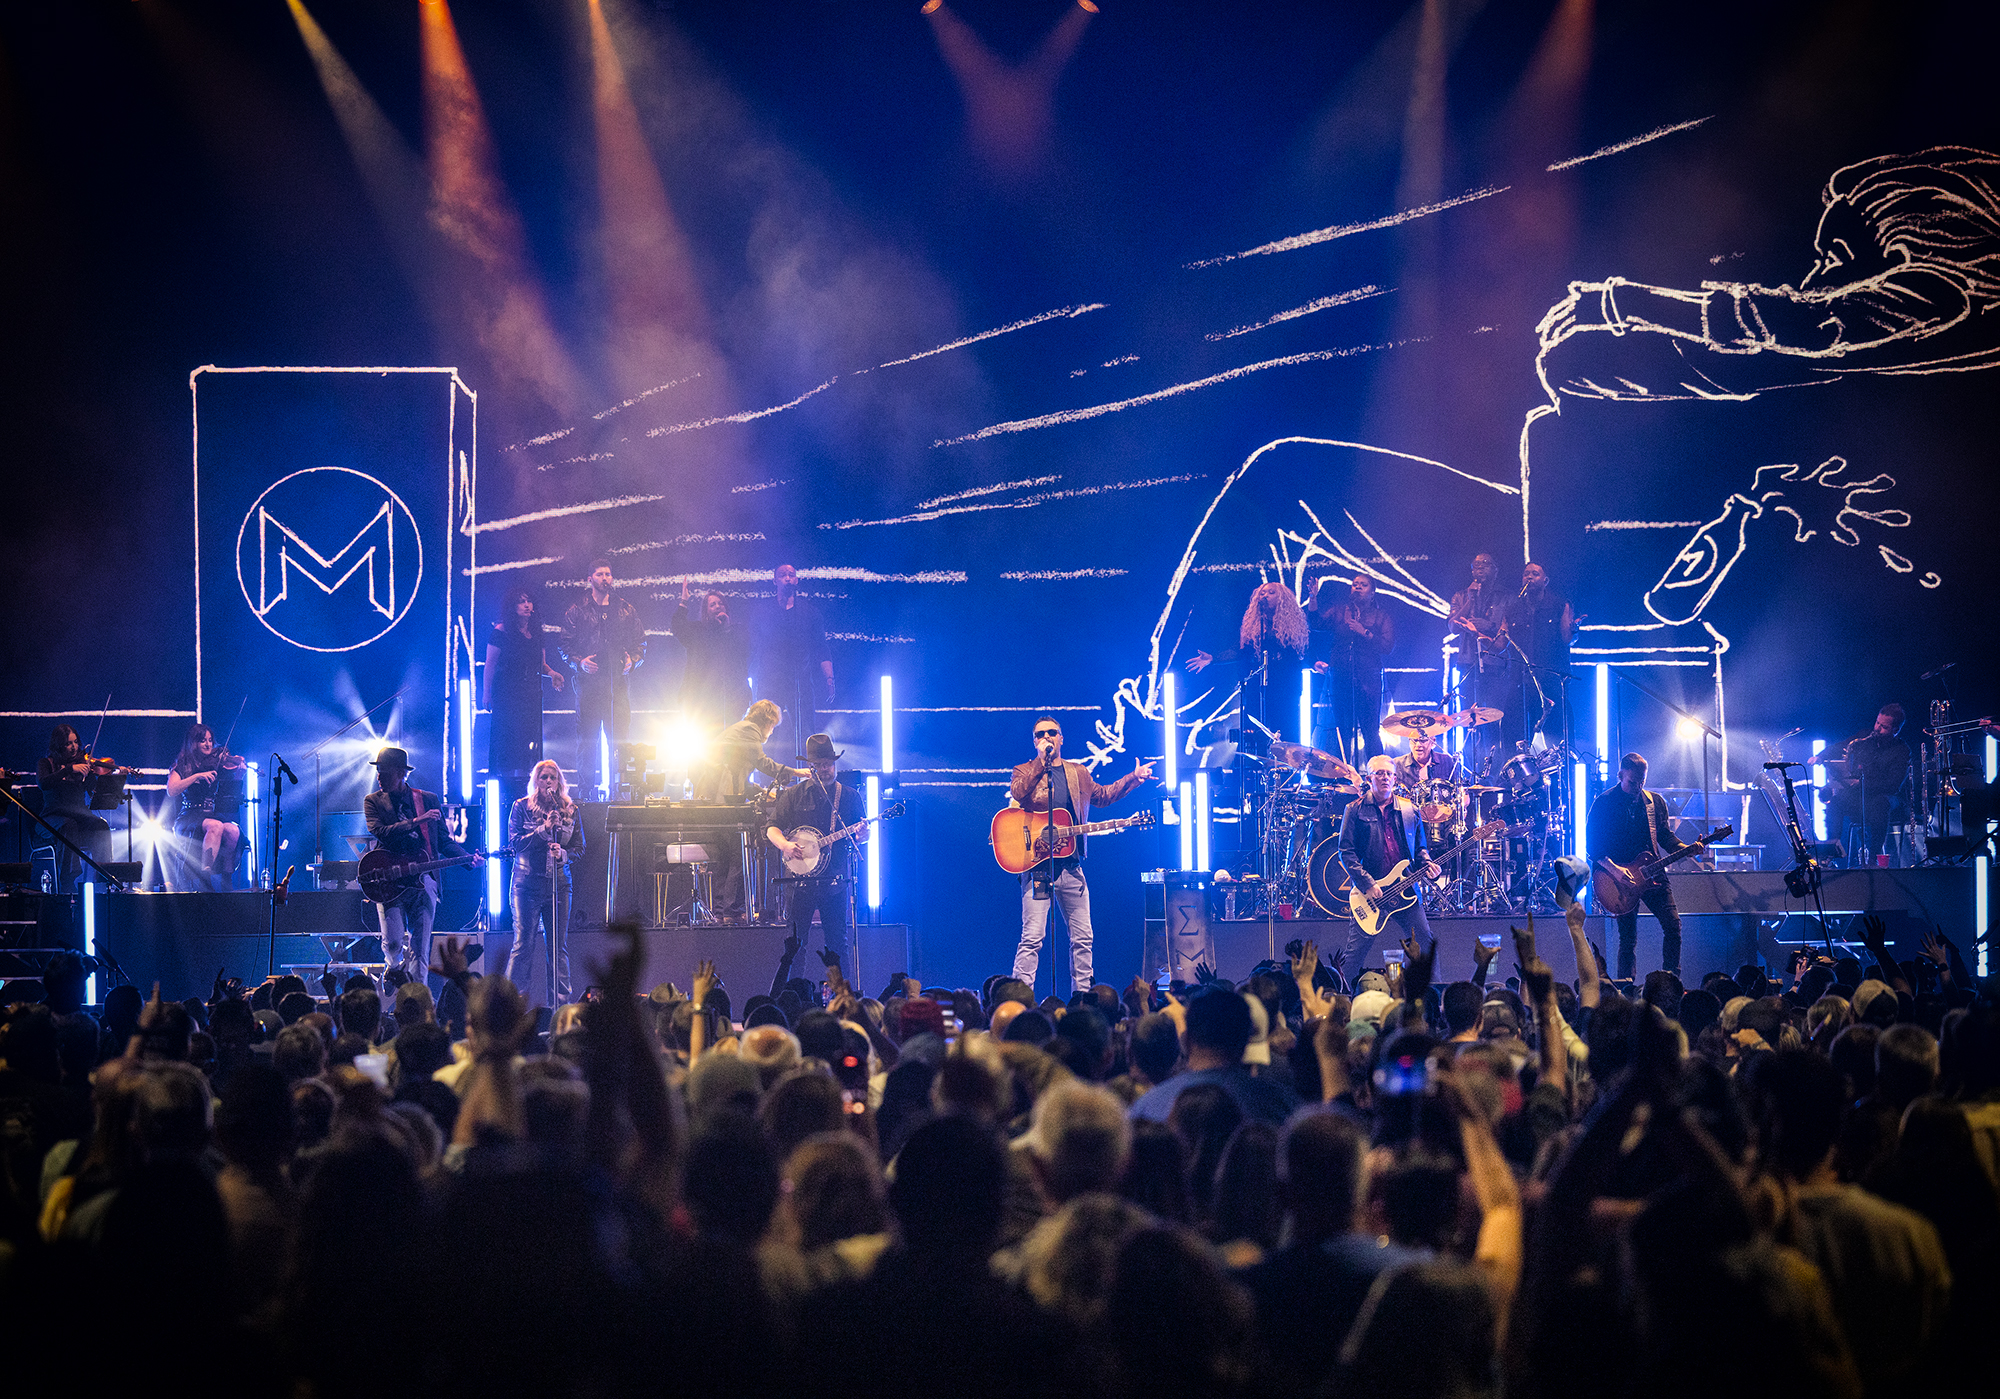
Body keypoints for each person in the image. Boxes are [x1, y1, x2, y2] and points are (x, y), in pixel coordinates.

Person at [1008, 717, 1154, 994]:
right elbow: (1019, 791)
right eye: (1040, 734)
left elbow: (1104, 796)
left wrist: (1133, 778)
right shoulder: (1024, 770)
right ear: (1035, 741)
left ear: (1061, 738)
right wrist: (1040, 763)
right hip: (1038, 868)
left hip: (1071, 866)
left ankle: (1083, 998)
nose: (1047, 737)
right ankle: (1019, 998)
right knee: (1032, 937)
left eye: (1052, 732)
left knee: (1083, 937)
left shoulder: (1078, 773)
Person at [363, 747, 481, 984]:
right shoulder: (373, 801)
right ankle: (394, 967)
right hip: (390, 880)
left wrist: (468, 858)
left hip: (423, 879)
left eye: (384, 772)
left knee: (421, 946)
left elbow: (444, 841)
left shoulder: (426, 799)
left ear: (401, 773)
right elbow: (381, 832)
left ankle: (419, 998)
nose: (379, 777)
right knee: (393, 943)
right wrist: (417, 821)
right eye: (378, 771)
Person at [696, 699, 808, 920]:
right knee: (737, 854)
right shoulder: (750, 730)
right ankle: (731, 911)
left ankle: (722, 913)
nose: (772, 732)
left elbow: (738, 778)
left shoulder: (739, 731)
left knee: (723, 858)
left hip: (715, 800)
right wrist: (796, 772)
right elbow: (763, 763)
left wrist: (763, 792)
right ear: (767, 721)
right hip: (723, 803)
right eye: (773, 726)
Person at [766, 734, 864, 980]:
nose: (825, 769)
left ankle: (843, 995)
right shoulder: (793, 795)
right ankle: (793, 994)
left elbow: (861, 834)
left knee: (838, 943)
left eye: (829, 764)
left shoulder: (849, 796)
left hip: (835, 881)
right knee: (795, 944)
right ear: (810, 767)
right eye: (819, 765)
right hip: (800, 883)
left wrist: (864, 834)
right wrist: (785, 845)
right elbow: (772, 827)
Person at [1587, 751, 1688, 979]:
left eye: (1642, 781)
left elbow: (1665, 836)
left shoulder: (1655, 802)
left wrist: (1686, 848)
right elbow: (1592, 847)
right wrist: (1615, 870)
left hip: (1653, 874)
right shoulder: (1604, 803)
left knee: (1673, 926)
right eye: (1632, 782)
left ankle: (1671, 980)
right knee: (1628, 939)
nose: (1638, 786)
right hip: (1618, 880)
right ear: (1620, 775)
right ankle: (1626, 986)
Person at [1186, 580, 1312, 758]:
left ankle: (1288, 772)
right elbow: (1240, 651)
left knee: (1286, 733)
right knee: (1257, 735)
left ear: (1282, 599)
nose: (1265, 596)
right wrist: (1214, 659)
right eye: (1262, 593)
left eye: (1271, 593)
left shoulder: (1293, 626)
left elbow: (1301, 654)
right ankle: (1259, 771)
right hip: (1256, 688)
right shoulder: (1254, 625)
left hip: (1285, 688)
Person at [1335, 755, 1440, 965]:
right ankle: (1341, 987)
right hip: (1370, 893)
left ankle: (1432, 986)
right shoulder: (1354, 809)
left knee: (1426, 945)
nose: (1385, 778)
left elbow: (1420, 849)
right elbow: (1346, 851)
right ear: (1369, 779)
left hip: (1405, 889)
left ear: (1395, 778)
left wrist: (1428, 864)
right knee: (1355, 954)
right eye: (1380, 773)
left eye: (1389, 774)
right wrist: (1367, 883)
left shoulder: (1410, 809)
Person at [561, 560, 646, 797]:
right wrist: (579, 662)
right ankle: (585, 795)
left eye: (608, 574)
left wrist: (633, 660)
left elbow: (641, 643)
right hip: (589, 686)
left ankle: (619, 792)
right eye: (600, 574)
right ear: (590, 579)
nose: (605, 578)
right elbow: (564, 645)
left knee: (619, 741)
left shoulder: (625, 609)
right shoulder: (577, 609)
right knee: (587, 742)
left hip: (617, 685)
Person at [505, 759, 582, 1009]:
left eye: (552, 777)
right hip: (526, 884)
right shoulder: (521, 807)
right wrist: (543, 829)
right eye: (543, 777)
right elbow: (515, 843)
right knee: (523, 944)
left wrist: (565, 854)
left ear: (559, 781)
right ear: (536, 781)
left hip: (559, 885)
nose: (548, 781)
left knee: (558, 948)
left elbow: (580, 847)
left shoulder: (570, 810)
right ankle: (510, 1007)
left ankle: (560, 1009)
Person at [483, 589, 564, 804]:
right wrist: (486, 693)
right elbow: (490, 664)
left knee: (528, 741)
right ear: (512, 607)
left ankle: (525, 788)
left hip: (530, 694)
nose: (527, 605)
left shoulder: (536, 632)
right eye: (521, 602)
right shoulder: (501, 631)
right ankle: (506, 789)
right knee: (508, 740)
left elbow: (540, 663)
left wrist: (552, 673)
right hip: (507, 693)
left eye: (529, 601)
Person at [1312, 574, 1395, 763]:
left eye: (1363, 585)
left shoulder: (1381, 615)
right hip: (1341, 678)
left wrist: (1364, 632)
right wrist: (1313, 598)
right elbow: (1317, 623)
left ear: (1372, 593)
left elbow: (1387, 646)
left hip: (1368, 680)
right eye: (1355, 584)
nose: (1357, 587)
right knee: (1342, 730)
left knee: (1370, 730)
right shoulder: (1340, 611)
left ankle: (1376, 773)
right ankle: (1342, 775)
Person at [756, 564, 833, 759]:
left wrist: (829, 678)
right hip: (771, 682)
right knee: (767, 735)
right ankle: (767, 776)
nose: (788, 578)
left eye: (791, 575)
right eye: (783, 575)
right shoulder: (764, 611)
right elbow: (753, 645)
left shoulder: (809, 612)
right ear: (775, 581)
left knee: (807, 732)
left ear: (796, 580)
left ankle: (809, 774)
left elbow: (821, 647)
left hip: (800, 682)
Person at [1500, 562, 1573, 747]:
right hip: (1520, 681)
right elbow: (1501, 642)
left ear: (1545, 580)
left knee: (1556, 735)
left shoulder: (1558, 605)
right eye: (1526, 574)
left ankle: (1561, 765)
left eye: (1535, 574)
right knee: (1512, 733)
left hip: (1550, 680)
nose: (1529, 577)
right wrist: (1479, 635)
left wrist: (1575, 629)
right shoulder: (1512, 609)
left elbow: (1567, 639)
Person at [1828, 703, 1910, 864]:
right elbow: (1842, 745)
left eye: (1884, 727)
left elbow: (1893, 785)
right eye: (1877, 723)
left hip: (1887, 797)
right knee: (1836, 802)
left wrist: (1861, 783)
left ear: (1895, 730)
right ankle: (1831, 853)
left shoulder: (1902, 750)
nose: (1877, 728)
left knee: (1880, 805)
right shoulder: (1864, 737)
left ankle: (1874, 858)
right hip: (1862, 794)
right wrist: (1821, 756)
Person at [164, 724, 245, 889]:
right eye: (203, 741)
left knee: (233, 830)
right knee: (215, 826)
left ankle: (227, 876)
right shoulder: (183, 765)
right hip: (189, 815)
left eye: (210, 740)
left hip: (211, 814)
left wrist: (240, 774)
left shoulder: (217, 763)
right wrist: (196, 776)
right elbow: (171, 790)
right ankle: (204, 876)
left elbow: (231, 791)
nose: (208, 745)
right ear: (193, 743)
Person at [36, 725, 112, 891]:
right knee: (68, 825)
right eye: (68, 743)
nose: (74, 747)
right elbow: (43, 783)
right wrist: (69, 769)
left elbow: (93, 790)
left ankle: (105, 877)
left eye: (76, 742)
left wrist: (96, 777)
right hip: (51, 818)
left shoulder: (82, 765)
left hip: (78, 818)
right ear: (59, 745)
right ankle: (67, 881)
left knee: (101, 825)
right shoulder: (46, 763)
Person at [1447, 553, 1506, 761]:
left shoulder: (1505, 597)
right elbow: (1453, 627)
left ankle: (1494, 768)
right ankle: (1472, 767)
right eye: (1476, 565)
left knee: (1493, 720)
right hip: (1467, 663)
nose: (1480, 567)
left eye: (1485, 564)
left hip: (1494, 666)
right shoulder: (1461, 596)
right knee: (1469, 720)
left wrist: (1487, 626)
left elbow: (1507, 632)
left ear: (1495, 570)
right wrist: (1470, 600)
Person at [672, 581, 751, 732]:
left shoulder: (736, 631)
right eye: (712, 605)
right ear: (706, 610)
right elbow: (677, 627)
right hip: (702, 700)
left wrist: (727, 628)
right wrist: (684, 601)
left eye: (720, 603)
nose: (717, 607)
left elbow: (746, 652)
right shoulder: (698, 631)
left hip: (732, 698)